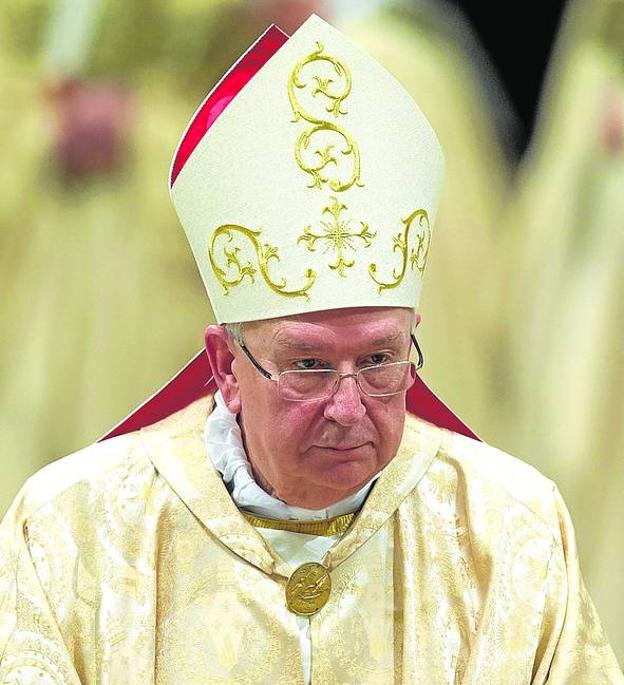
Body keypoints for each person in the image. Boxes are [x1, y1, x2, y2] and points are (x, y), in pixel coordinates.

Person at [0, 14, 622, 684]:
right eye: (310, 366)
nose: (349, 408)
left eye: (381, 360)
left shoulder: (510, 533)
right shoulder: (78, 534)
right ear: (224, 368)